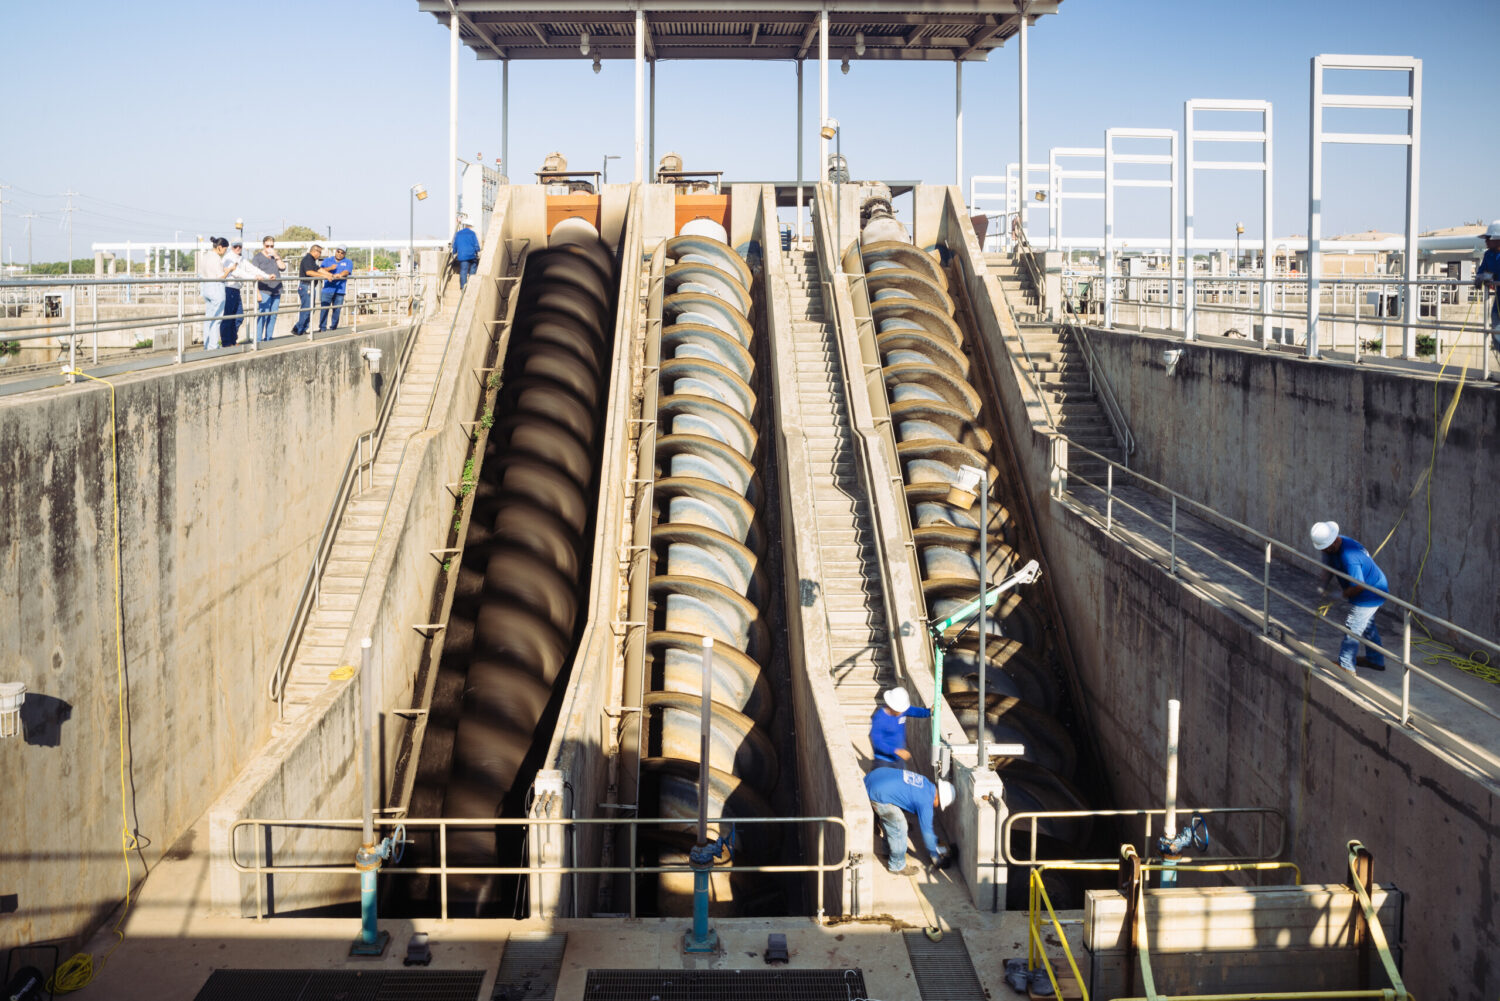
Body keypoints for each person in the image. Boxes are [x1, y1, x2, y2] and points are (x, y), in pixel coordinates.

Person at [1310, 520, 1389, 674]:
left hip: (1371, 592)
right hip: (1369, 587)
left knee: (1353, 625)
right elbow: (1328, 567)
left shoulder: (1349, 557)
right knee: (1367, 626)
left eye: (1325, 549)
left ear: (1332, 543)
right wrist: (1322, 587)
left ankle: (1346, 665)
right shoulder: (1331, 547)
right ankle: (1375, 660)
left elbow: (1359, 586)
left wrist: (1340, 595)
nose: (1323, 551)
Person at [864, 766, 954, 876]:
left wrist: (936, 841)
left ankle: (887, 851)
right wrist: (935, 856)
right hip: (877, 792)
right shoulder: (926, 803)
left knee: (891, 821)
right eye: (939, 804)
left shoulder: (926, 783)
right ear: (937, 798)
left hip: (873, 777)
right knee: (899, 827)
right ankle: (896, 865)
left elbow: (907, 795)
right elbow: (927, 832)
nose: (937, 806)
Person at [869, 688, 932, 766]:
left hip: (899, 759)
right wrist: (896, 751)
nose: (902, 712)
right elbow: (877, 742)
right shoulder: (879, 718)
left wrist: (929, 712)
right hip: (883, 760)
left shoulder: (901, 711)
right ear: (891, 706)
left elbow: (915, 711)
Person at [197, 237, 233, 348]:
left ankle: (207, 345)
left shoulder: (206, 256)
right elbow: (220, 277)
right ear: (219, 247)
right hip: (216, 289)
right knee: (216, 319)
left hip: (206, 288)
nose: (225, 252)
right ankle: (213, 346)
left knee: (208, 319)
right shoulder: (216, 258)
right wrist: (230, 270)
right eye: (225, 249)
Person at [291, 243, 333, 335]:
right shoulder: (307, 259)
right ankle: (298, 329)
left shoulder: (311, 260)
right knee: (307, 309)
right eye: (320, 253)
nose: (320, 255)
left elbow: (318, 270)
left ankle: (301, 328)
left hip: (309, 287)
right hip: (306, 287)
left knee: (310, 309)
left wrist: (330, 275)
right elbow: (309, 272)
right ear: (315, 251)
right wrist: (324, 276)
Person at [251, 236, 285, 341]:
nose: (269, 247)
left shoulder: (275, 256)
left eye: (272, 246)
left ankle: (268, 337)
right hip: (264, 289)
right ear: (263, 245)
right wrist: (257, 293)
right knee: (263, 315)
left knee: (273, 315)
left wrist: (276, 256)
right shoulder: (257, 258)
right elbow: (254, 276)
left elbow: (283, 267)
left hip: (276, 289)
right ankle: (258, 339)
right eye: (267, 246)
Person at [1475, 220, 1500, 346]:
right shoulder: (1488, 255)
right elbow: (1481, 271)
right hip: (1498, 301)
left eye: (1488, 238)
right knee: (1496, 333)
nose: (1486, 241)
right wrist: (1482, 277)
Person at [318, 245, 354, 331]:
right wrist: (330, 268)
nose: (340, 254)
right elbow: (320, 270)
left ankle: (333, 327)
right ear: (336, 251)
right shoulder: (327, 260)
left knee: (337, 310)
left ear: (345, 254)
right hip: (327, 289)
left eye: (342, 253)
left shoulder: (348, 261)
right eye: (338, 251)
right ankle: (322, 328)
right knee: (324, 309)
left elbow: (347, 271)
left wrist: (340, 275)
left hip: (340, 290)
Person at [453, 215, 481, 290]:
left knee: (463, 270)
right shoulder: (472, 233)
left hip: (462, 256)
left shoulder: (458, 234)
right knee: (474, 266)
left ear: (464, 225)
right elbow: (476, 245)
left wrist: (454, 252)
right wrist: (478, 251)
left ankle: (463, 287)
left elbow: (455, 245)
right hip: (471, 255)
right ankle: (471, 284)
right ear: (471, 226)